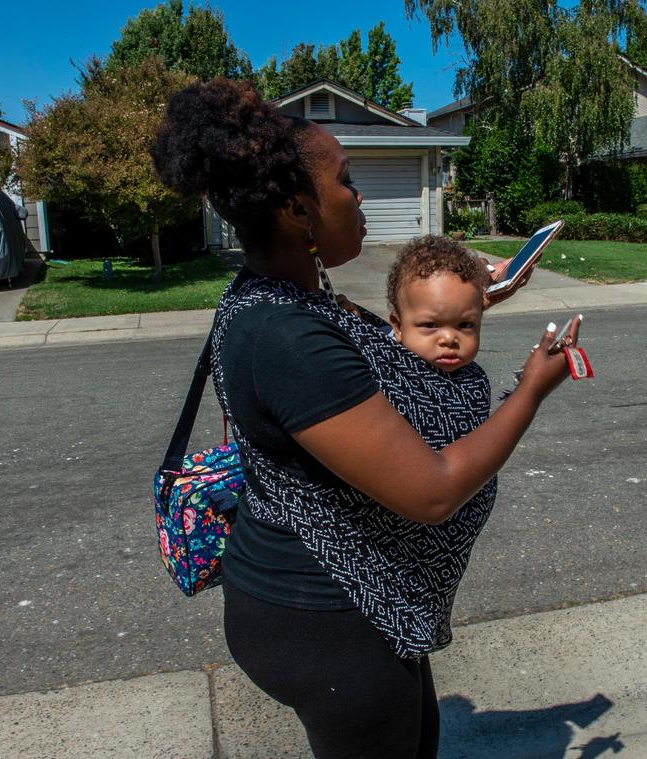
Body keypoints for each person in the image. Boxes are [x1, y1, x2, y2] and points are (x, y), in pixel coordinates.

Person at [151, 77, 581, 759]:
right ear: (297, 209)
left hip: (359, 595)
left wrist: (470, 303)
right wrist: (531, 389)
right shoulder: (285, 338)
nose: (359, 198)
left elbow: (387, 347)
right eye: (346, 182)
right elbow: (433, 489)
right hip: (326, 617)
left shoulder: (287, 296)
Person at [385, 235, 490, 374]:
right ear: (398, 326)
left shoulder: (474, 376)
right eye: (430, 325)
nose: (449, 339)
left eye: (465, 324)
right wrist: (529, 379)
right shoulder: (392, 377)